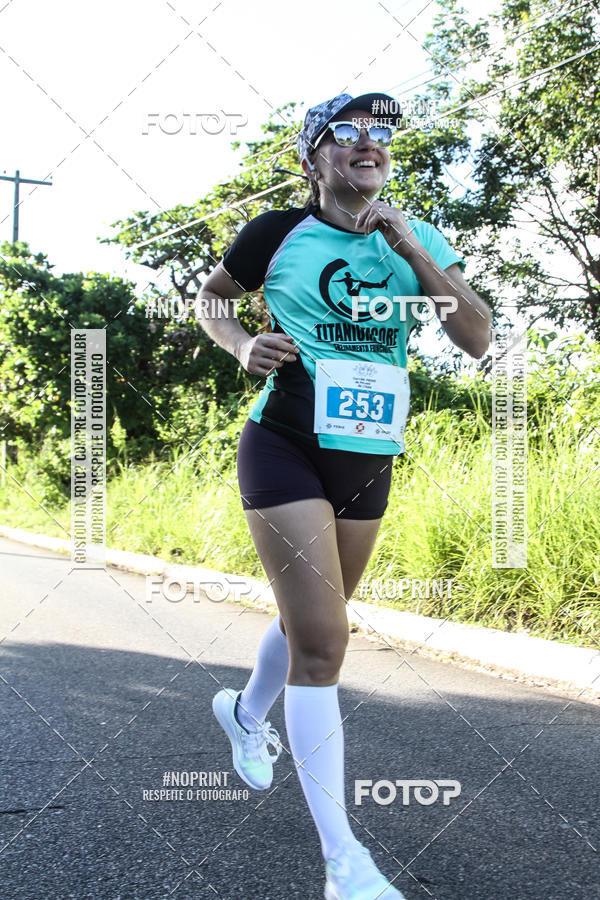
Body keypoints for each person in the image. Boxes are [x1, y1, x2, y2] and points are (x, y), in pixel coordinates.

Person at [198, 92, 492, 900]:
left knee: (310, 622)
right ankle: (344, 862)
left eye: (380, 134)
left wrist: (414, 251)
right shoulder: (276, 235)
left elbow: (476, 337)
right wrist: (238, 342)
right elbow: (212, 299)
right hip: (284, 443)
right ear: (313, 158)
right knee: (325, 644)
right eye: (346, 134)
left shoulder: (418, 237)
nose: (369, 143)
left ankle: (245, 712)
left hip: (368, 457)